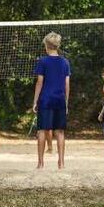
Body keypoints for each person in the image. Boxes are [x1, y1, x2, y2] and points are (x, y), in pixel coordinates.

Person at [32, 32, 71, 170]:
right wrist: (66, 102)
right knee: (60, 132)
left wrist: (35, 101)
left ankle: (40, 163)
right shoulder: (65, 62)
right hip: (59, 99)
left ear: (47, 46)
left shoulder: (43, 61)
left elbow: (39, 82)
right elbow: (67, 84)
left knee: (42, 131)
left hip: (45, 99)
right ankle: (61, 163)